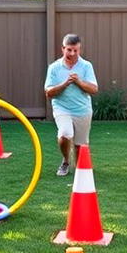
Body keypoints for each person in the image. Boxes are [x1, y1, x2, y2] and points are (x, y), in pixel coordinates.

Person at [44, 33, 98, 176]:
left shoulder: (86, 66)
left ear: (80, 49)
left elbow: (94, 89)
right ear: (63, 49)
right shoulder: (54, 68)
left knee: (80, 146)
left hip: (82, 110)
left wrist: (79, 82)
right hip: (62, 108)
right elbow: (48, 93)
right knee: (65, 134)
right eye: (69, 50)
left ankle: (79, 167)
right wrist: (65, 83)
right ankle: (66, 161)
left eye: (76, 50)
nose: (73, 53)